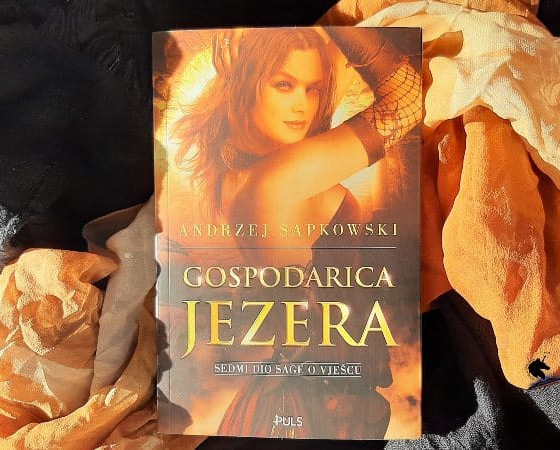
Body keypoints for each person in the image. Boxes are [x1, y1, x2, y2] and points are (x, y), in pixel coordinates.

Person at [172, 27, 421, 438]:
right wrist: (336, 20)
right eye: (284, 85)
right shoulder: (278, 177)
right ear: (245, 84)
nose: (302, 105)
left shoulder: (239, 172)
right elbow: (407, 101)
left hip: (306, 391)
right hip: (317, 402)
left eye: (312, 89)